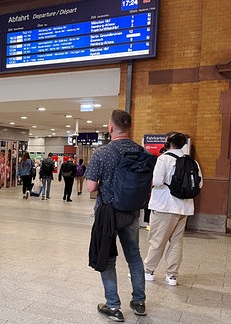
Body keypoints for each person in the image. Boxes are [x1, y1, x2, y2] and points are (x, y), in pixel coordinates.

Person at [85, 110, 146, 321]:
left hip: (108, 213)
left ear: (111, 127)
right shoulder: (140, 150)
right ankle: (139, 301)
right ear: (129, 127)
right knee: (134, 257)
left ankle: (113, 307)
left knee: (108, 258)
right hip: (132, 211)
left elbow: (91, 187)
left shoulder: (103, 152)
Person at [143, 132, 202, 286]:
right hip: (185, 208)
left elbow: (156, 181)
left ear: (167, 142)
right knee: (176, 242)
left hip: (164, 207)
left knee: (157, 240)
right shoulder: (192, 162)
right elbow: (199, 184)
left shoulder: (164, 159)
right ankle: (172, 276)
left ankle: (148, 271)